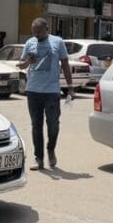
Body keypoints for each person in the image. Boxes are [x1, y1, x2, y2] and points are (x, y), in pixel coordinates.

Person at [17, 17, 74, 171]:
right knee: (36, 126)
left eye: (39, 32)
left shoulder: (58, 42)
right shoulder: (30, 43)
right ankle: (39, 159)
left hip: (52, 91)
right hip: (33, 90)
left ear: (47, 29)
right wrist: (28, 61)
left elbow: (66, 65)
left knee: (53, 125)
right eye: (34, 32)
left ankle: (50, 149)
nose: (36, 35)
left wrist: (70, 87)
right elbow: (21, 65)